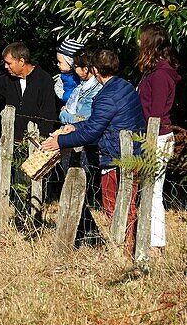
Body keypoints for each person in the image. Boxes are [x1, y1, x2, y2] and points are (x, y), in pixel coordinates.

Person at [40, 47, 145, 253]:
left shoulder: (107, 96)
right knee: (127, 205)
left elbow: (92, 133)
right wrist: (75, 127)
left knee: (115, 204)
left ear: (95, 69)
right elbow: (96, 123)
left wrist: (60, 142)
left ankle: (124, 250)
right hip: (132, 153)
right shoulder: (124, 86)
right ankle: (129, 247)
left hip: (117, 157)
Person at [136, 23, 180, 258]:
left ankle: (156, 244)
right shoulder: (152, 72)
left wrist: (148, 140)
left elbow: (155, 112)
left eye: (141, 40)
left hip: (157, 137)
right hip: (150, 135)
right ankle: (149, 238)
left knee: (154, 191)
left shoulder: (161, 75)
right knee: (149, 190)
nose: (137, 44)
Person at [54, 38, 84, 105]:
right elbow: (58, 86)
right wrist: (62, 96)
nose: (57, 64)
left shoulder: (80, 75)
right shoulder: (63, 75)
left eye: (60, 62)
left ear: (70, 62)